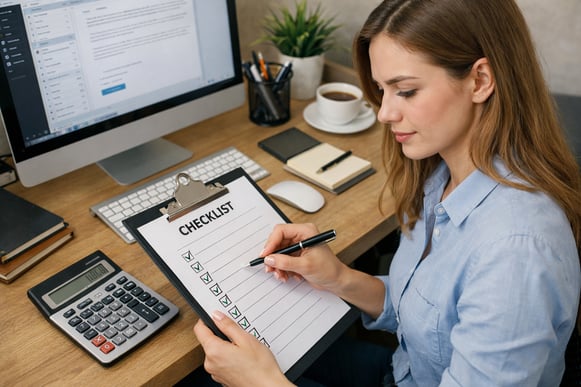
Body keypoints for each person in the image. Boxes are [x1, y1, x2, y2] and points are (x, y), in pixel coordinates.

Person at [193, 0, 581, 385]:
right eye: (382, 89)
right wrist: (339, 277)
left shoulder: (515, 251)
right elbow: (429, 312)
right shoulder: (443, 174)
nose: (384, 113)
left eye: (406, 91)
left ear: (480, 80)